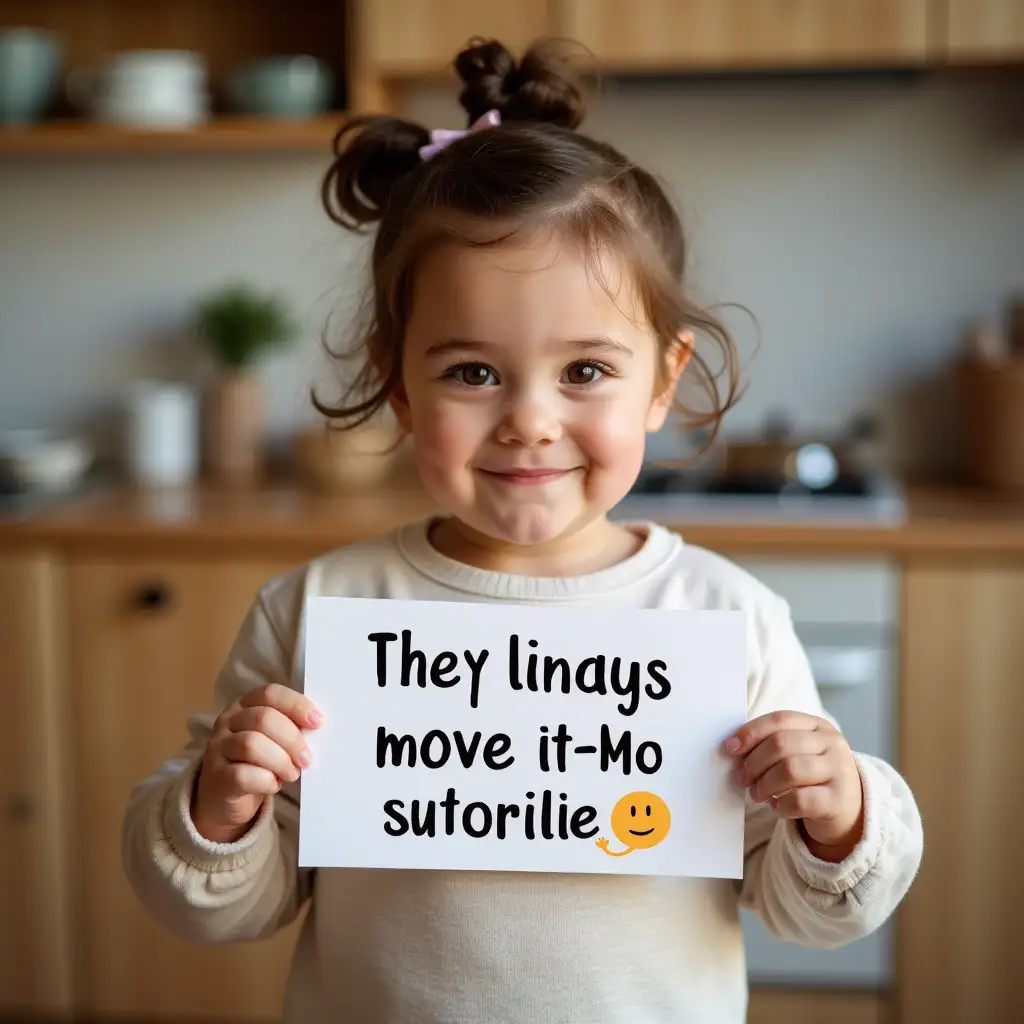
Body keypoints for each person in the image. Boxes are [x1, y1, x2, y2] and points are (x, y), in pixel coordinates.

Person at [122, 37, 923, 1024]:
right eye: (471, 371)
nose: (529, 419)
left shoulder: (727, 618)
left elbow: (813, 913)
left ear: (663, 381)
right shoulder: (319, 611)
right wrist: (218, 805)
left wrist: (838, 815)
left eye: (585, 371)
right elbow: (219, 906)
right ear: (399, 383)